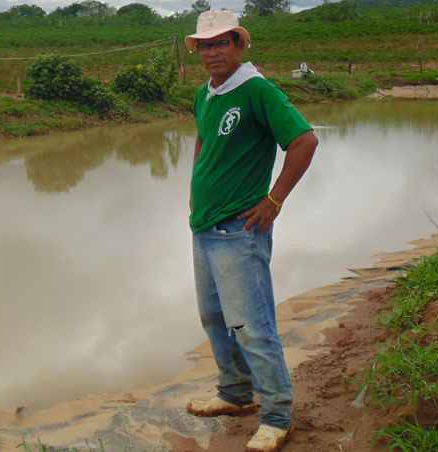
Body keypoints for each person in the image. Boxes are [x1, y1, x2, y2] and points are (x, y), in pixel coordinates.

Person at [183, 10, 318, 452]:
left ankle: (277, 415)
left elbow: (303, 140)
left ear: (239, 45)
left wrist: (274, 200)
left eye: (222, 42)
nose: (213, 51)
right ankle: (235, 394)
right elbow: (204, 140)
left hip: (240, 230)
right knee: (215, 318)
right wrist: (195, 188)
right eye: (206, 44)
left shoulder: (257, 91)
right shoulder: (206, 94)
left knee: (253, 326)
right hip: (204, 227)